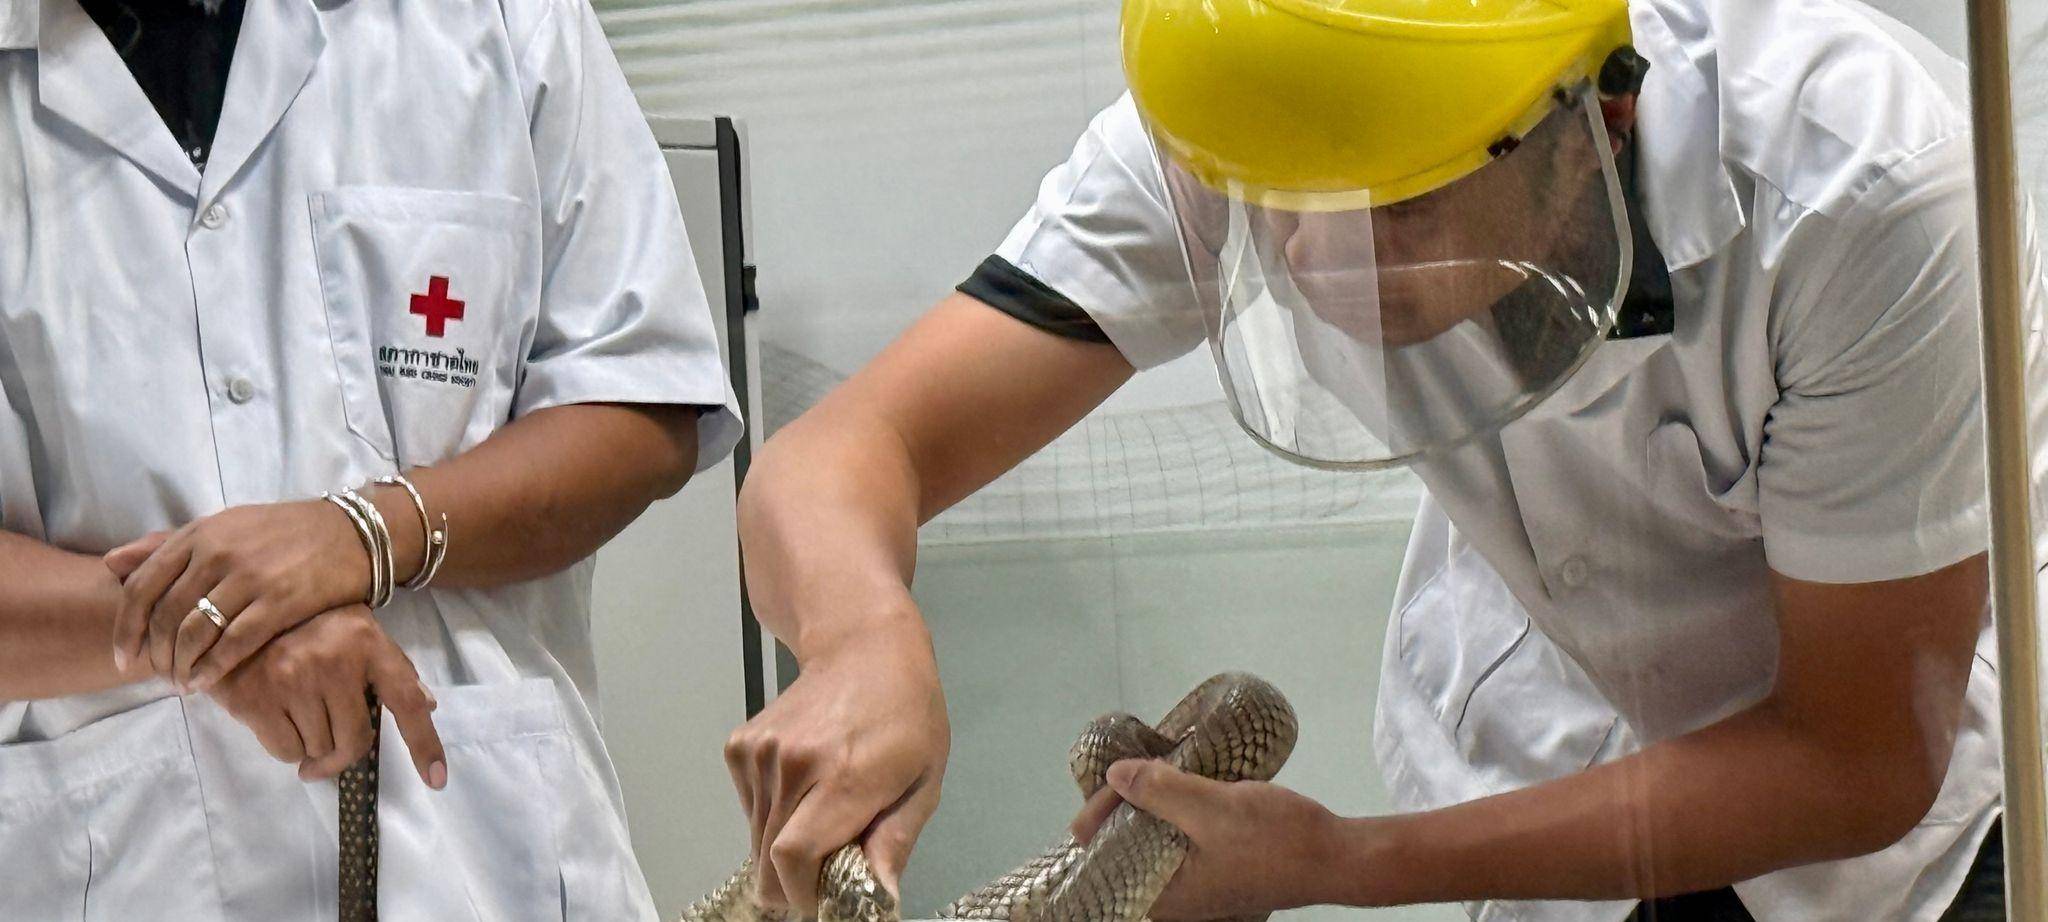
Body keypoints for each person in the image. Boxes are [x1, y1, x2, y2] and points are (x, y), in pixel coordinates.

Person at [723, 0, 2024, 919]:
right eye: (1282, 208)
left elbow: (1856, 757)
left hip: (1892, 854)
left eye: (1399, 205)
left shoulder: (1864, 189)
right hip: (1537, 759)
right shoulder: (1260, 98)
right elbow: (842, 455)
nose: (1317, 261)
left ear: (1595, 115)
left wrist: (1346, 860)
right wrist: (860, 638)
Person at [0, 0, 741, 919]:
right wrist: (213, 628)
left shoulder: (500, 20)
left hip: (478, 858)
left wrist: (366, 535)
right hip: (121, 868)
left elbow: (638, 400)